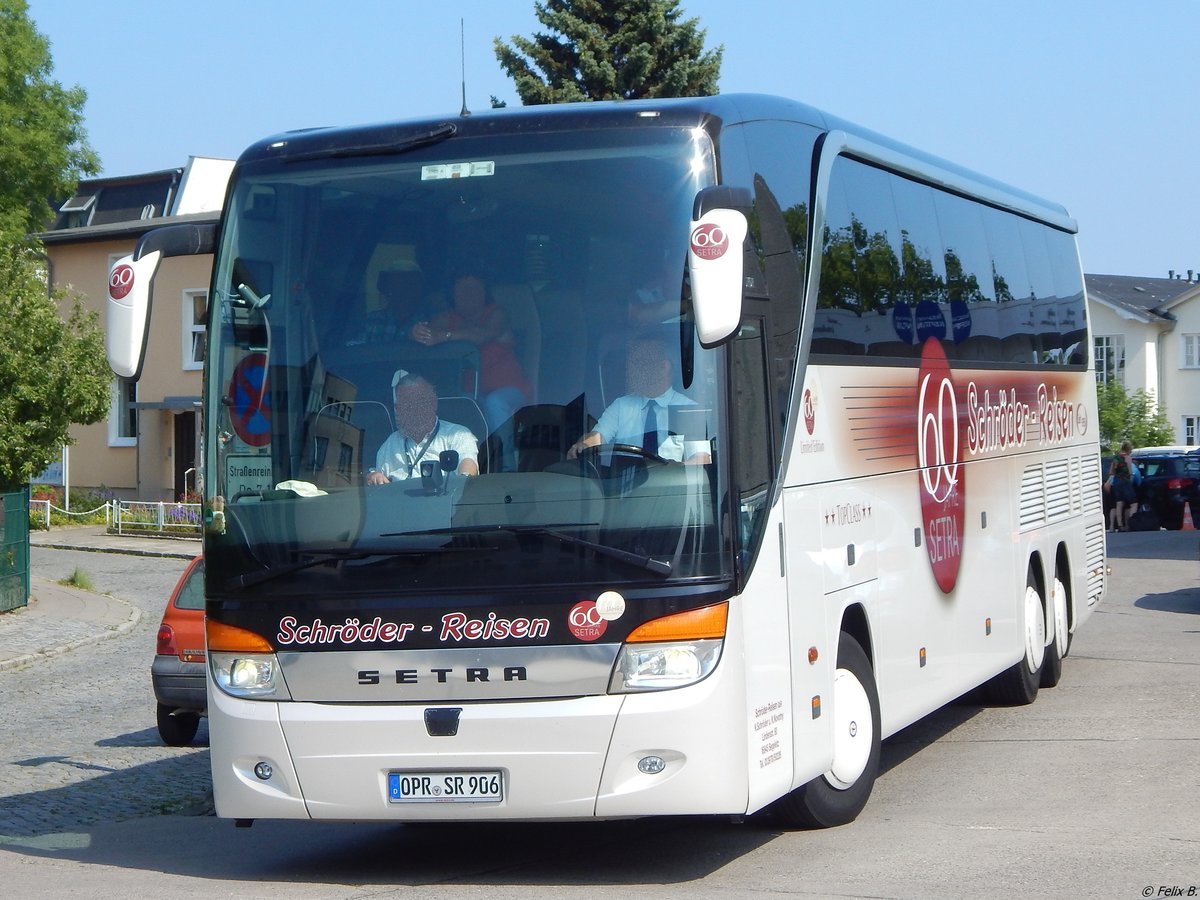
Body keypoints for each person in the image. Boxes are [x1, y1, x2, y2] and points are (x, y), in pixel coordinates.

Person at [410, 274, 531, 434]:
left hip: (510, 391)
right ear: (452, 293)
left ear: (484, 292)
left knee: (495, 402)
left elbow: (483, 335)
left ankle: (504, 457)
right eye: (462, 289)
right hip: (471, 394)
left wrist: (445, 336)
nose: (468, 294)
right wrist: (416, 333)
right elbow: (424, 335)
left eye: (474, 288)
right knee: (458, 404)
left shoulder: (497, 314)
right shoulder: (447, 318)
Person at [567, 335, 711, 464]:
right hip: (625, 490)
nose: (633, 369)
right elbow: (598, 436)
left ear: (664, 366)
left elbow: (702, 458)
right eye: (633, 363)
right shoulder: (621, 406)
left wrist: (680, 468)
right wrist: (583, 445)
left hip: (672, 490)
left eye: (642, 363)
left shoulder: (687, 408)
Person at [367, 372, 479, 483]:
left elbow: (468, 464)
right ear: (397, 409)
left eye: (420, 401)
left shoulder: (458, 435)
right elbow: (379, 485)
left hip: (446, 500)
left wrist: (464, 479)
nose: (414, 409)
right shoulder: (390, 444)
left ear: (433, 402)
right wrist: (375, 477)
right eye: (407, 404)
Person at [1108, 440, 1139, 531]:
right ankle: (1131, 523)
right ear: (1129, 449)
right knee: (1134, 503)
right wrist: (1130, 476)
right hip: (1125, 481)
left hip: (1116, 482)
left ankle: (1120, 525)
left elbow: (1111, 472)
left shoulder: (1116, 458)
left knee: (1119, 504)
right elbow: (1130, 472)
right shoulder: (1128, 458)